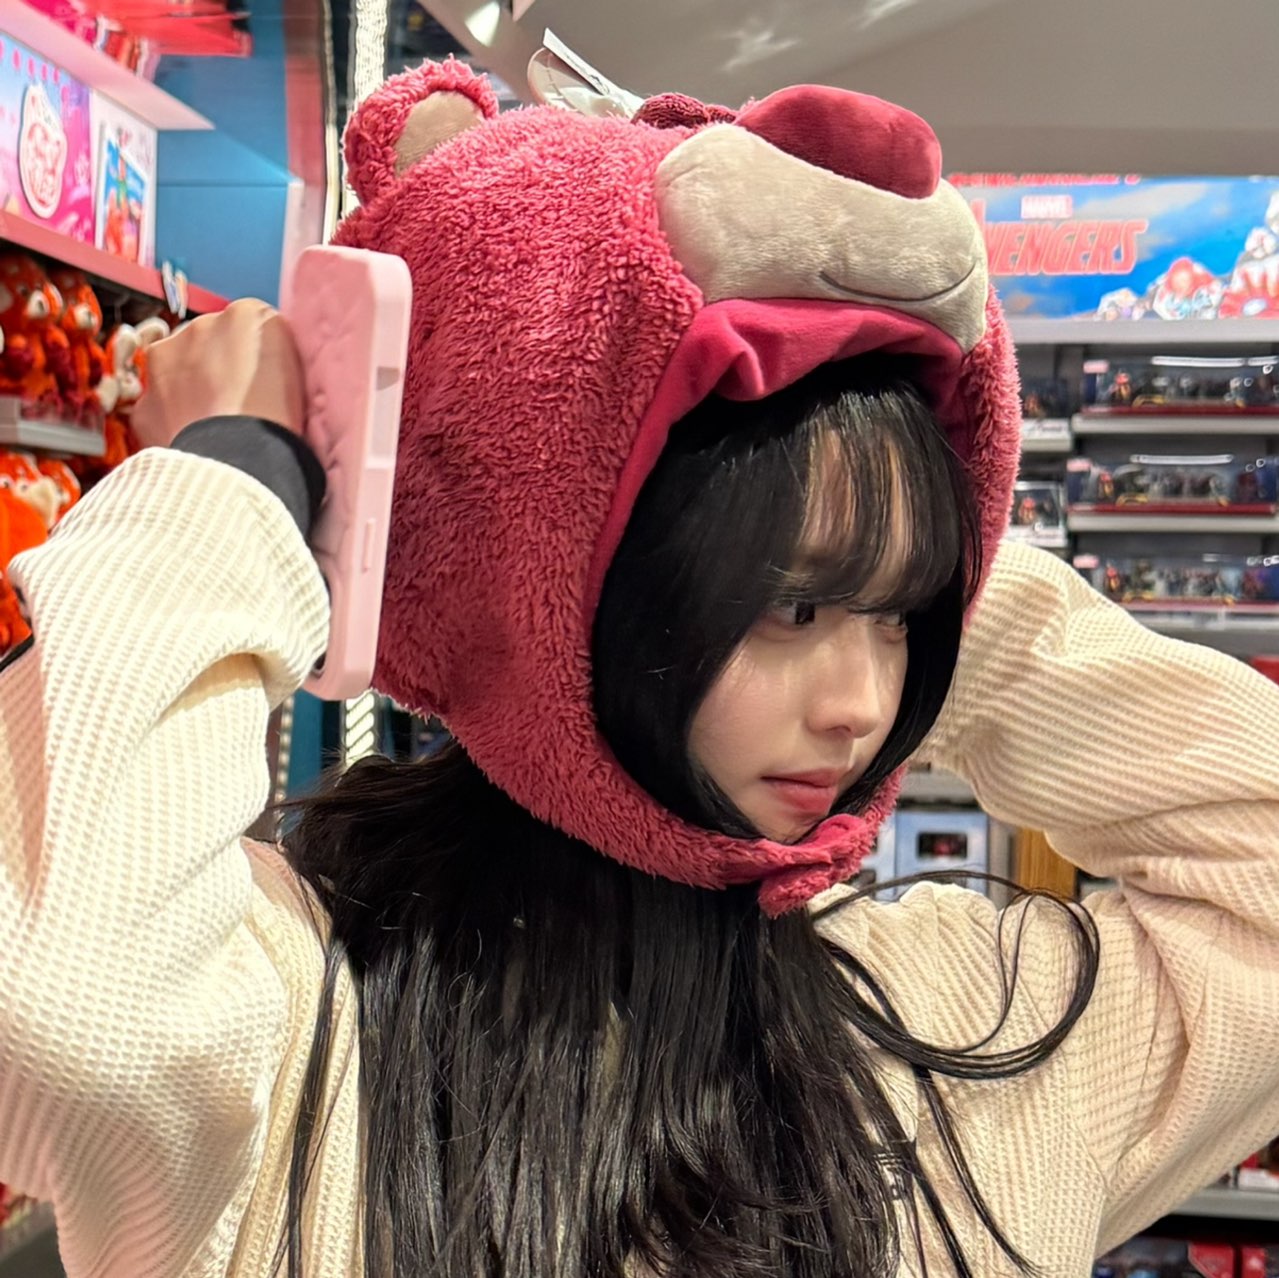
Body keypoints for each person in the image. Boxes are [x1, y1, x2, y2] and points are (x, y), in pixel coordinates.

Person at [3, 56, 1279, 1278]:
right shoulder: (294, 1039)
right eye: (789, 610)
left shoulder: (965, 1031)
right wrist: (236, 493)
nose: (863, 710)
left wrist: (911, 537)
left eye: (900, 624)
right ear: (556, 567)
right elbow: (66, 1017)